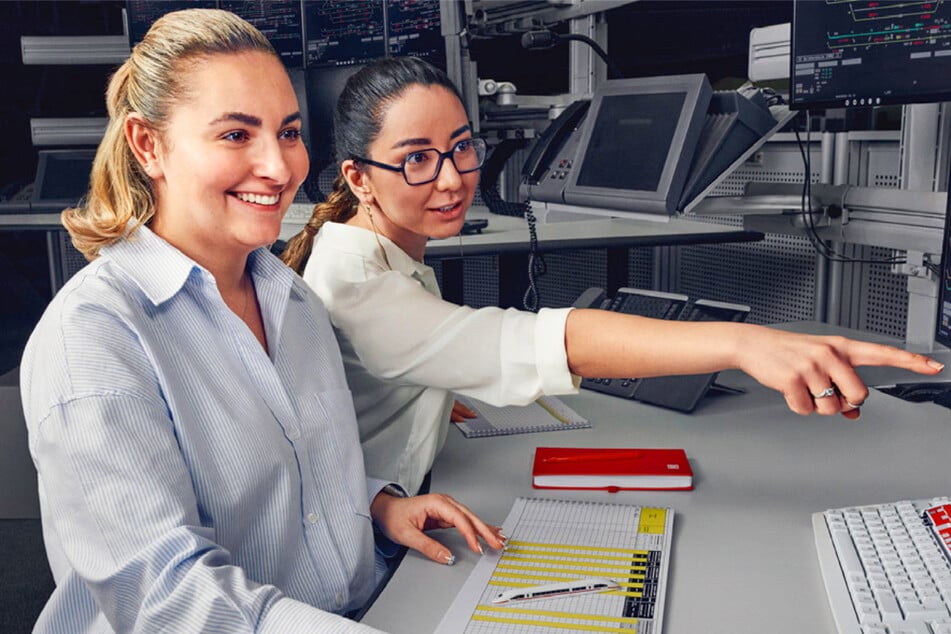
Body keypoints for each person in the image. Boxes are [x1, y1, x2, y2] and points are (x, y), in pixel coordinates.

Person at [20, 10, 504, 633]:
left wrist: (376, 506)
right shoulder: (92, 338)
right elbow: (164, 598)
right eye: (235, 136)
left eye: (290, 132)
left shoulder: (289, 299)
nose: (279, 168)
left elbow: (290, 476)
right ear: (149, 145)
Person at [280, 56, 945, 497]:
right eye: (417, 159)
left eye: (460, 147)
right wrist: (744, 343)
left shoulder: (366, 248)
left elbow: (408, 351)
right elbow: (539, 338)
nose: (453, 179)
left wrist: (421, 387)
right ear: (358, 178)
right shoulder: (356, 284)